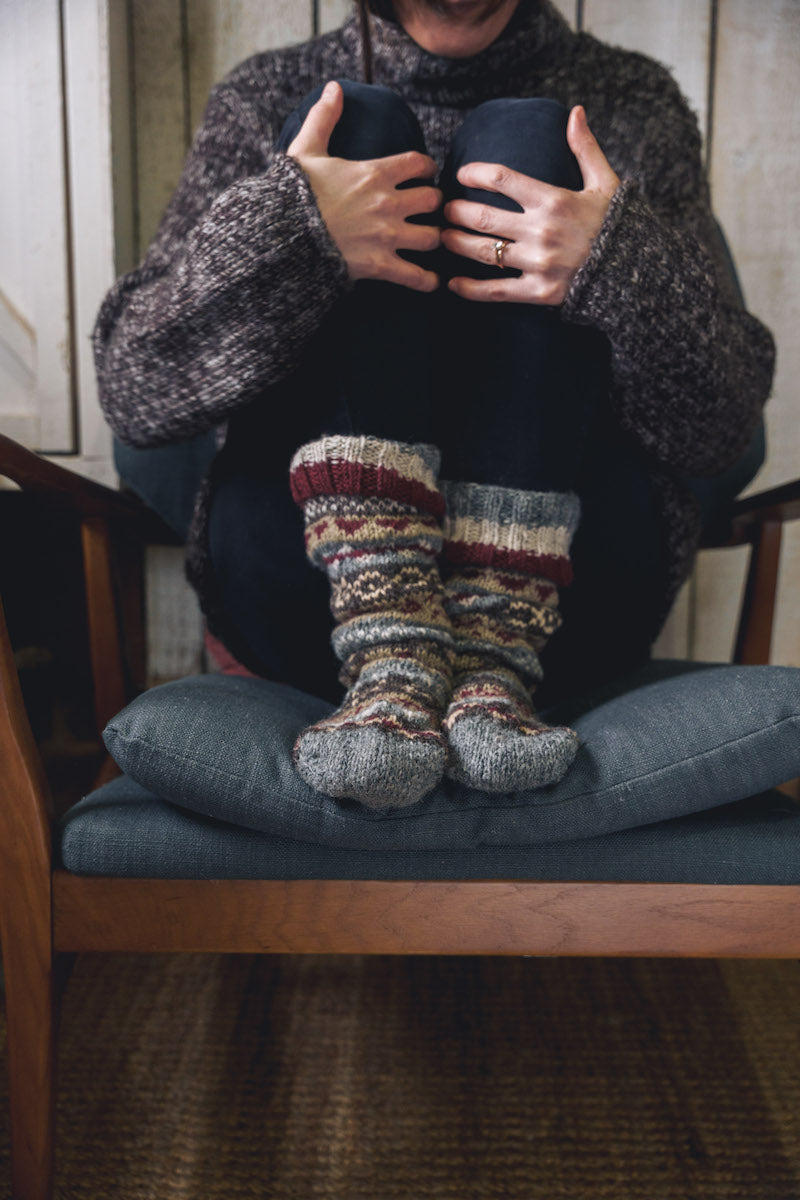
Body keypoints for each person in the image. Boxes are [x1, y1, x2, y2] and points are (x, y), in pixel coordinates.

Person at [93, 0, 775, 810]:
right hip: (308, 587)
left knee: (532, 139)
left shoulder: (629, 100)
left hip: (568, 601)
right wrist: (298, 232)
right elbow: (134, 390)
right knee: (356, 122)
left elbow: (725, 429)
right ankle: (390, 641)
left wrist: (615, 263)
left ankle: (497, 642)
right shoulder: (269, 93)